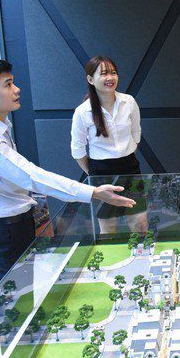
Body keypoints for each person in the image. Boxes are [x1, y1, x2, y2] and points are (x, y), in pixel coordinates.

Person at [0, 58, 136, 282]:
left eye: (13, 82)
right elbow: (30, 175)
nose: (17, 89)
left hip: (19, 225)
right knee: (16, 296)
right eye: (8, 85)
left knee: (28, 290)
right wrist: (92, 192)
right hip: (4, 233)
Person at [71, 55, 148, 235]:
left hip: (130, 167)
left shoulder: (129, 102)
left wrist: (127, 151)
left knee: (140, 223)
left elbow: (136, 133)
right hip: (101, 172)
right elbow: (77, 150)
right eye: (104, 73)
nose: (110, 77)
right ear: (91, 79)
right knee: (108, 229)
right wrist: (93, 173)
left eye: (113, 73)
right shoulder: (82, 111)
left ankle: (141, 251)